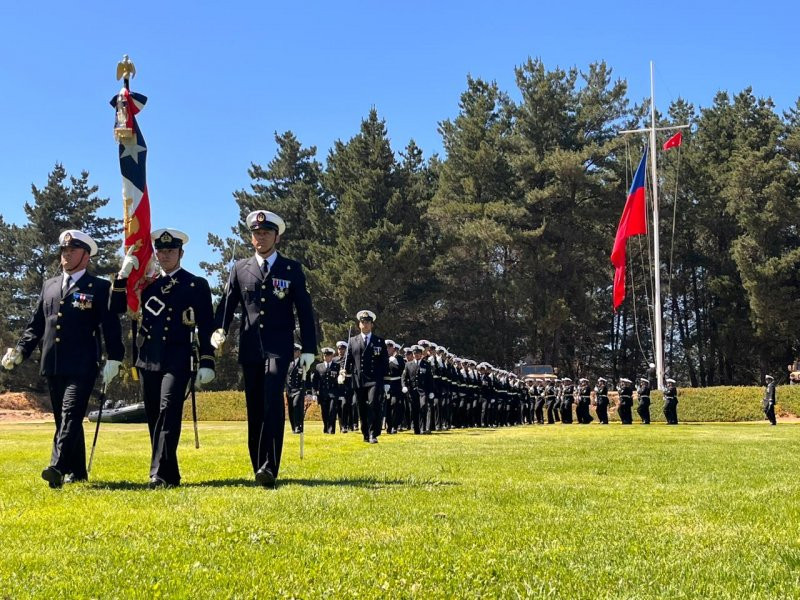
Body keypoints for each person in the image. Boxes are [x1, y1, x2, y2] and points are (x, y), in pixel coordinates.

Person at [2, 230, 125, 488]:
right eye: (63, 250)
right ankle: (78, 471)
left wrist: (115, 357)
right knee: (63, 418)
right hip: (53, 363)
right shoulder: (50, 285)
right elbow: (36, 325)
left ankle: (57, 466)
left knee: (70, 413)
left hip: (83, 364)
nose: (66, 255)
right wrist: (21, 351)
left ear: (86, 255)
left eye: (72, 250)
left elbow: (111, 327)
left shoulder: (100, 287)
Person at [212, 210, 316, 487]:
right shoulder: (240, 268)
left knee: (271, 397)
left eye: (266, 233)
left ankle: (270, 466)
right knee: (255, 405)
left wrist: (309, 348)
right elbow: (227, 305)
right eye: (256, 234)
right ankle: (257, 463)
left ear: (276, 237)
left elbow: (305, 311)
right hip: (250, 348)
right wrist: (218, 329)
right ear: (251, 237)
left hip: (279, 347)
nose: (261, 238)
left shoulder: (291, 269)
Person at [135, 228, 216, 488]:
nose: (165, 255)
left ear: (181, 253)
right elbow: (126, 313)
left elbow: (206, 326)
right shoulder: (148, 286)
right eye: (161, 250)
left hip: (178, 357)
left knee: (168, 411)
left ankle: (157, 473)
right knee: (153, 417)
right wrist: (125, 277)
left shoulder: (195, 285)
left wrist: (207, 360)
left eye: (171, 250)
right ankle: (170, 474)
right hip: (149, 358)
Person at [338, 310, 389, 443]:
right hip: (358, 379)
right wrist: (342, 371)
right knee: (361, 407)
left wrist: (384, 380)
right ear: (359, 324)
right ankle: (365, 432)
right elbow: (346, 360)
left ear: (372, 325)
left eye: (367, 322)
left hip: (374, 380)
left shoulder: (379, 341)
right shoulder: (352, 341)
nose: (365, 325)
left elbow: (384, 362)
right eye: (362, 322)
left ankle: (374, 433)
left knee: (373, 404)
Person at [401, 344, 434, 434]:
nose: (417, 355)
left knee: (423, 407)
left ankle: (423, 427)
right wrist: (404, 386)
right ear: (413, 354)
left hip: (423, 391)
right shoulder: (408, 364)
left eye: (418, 353)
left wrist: (431, 391)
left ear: (421, 354)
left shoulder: (426, 364)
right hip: (413, 390)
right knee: (414, 409)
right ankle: (416, 429)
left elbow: (430, 379)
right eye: (415, 353)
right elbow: (403, 377)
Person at [311, 347, 340, 434]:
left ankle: (331, 430)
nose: (327, 357)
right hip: (323, 393)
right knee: (324, 412)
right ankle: (326, 428)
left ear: (332, 356)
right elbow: (315, 381)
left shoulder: (337, 366)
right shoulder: (318, 367)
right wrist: (314, 393)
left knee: (332, 411)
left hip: (333, 393)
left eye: (329, 355)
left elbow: (340, 380)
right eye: (325, 355)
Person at [285, 343, 307, 434]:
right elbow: (286, 377)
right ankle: (294, 427)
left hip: (299, 389)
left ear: (299, 352)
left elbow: (306, 377)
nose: (293, 353)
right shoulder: (288, 363)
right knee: (291, 409)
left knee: (296, 405)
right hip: (290, 390)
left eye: (295, 351)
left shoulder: (303, 363)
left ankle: (299, 426)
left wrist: (305, 389)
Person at [384, 340, 405, 434]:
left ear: (393, 348)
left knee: (395, 404)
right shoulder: (382, 358)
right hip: (386, 384)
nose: (388, 349)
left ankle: (395, 426)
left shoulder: (399, 358)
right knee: (387, 406)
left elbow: (403, 371)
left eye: (390, 347)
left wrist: (395, 362)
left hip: (396, 384)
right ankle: (389, 426)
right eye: (387, 347)